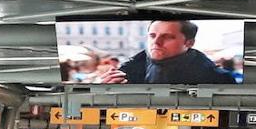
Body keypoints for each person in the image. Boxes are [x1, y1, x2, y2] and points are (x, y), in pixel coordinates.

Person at [95, 20, 235, 85]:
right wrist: (102, 91)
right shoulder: (126, 73)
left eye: (167, 37)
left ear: (189, 43)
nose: (156, 42)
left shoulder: (218, 79)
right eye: (152, 36)